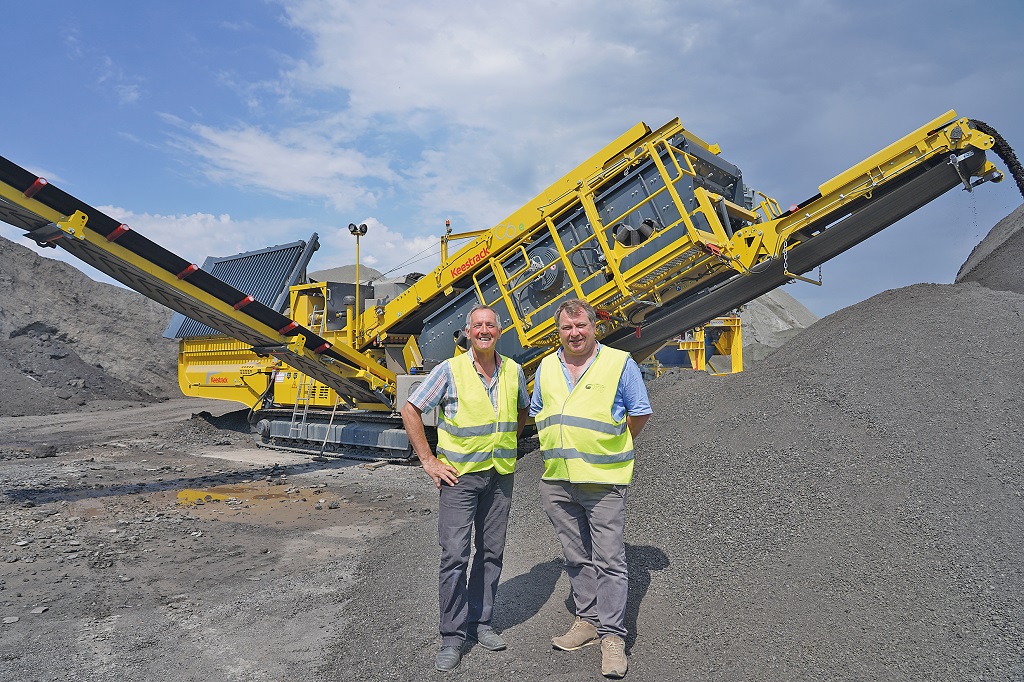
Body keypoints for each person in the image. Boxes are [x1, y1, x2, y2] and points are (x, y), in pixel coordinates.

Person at [401, 304, 529, 673]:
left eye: (490, 325)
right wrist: (429, 461)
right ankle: (452, 636)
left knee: (491, 552)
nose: (484, 330)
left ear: (499, 331)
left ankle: (480, 622)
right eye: (478, 325)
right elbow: (411, 409)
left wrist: (506, 441)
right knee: (455, 556)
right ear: (468, 332)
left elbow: (522, 410)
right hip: (459, 479)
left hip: (500, 474)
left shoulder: (514, 371)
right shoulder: (450, 370)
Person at [530, 299, 652, 679]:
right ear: (558, 331)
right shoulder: (547, 366)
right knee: (576, 556)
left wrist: (612, 447)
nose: (574, 333)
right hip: (557, 480)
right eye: (567, 328)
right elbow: (539, 411)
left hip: (602, 480)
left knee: (610, 560)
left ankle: (613, 636)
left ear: (594, 326)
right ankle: (587, 621)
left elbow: (640, 412)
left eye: (580, 325)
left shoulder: (619, 363)